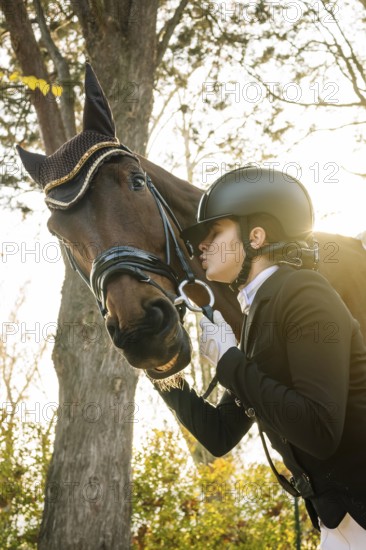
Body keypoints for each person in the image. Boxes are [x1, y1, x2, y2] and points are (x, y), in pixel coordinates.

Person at [154, 165, 366, 549]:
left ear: (256, 236)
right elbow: (219, 433)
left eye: (214, 233)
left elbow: (319, 430)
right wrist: (161, 366)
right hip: (338, 524)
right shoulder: (255, 319)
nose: (200, 246)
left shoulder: (304, 293)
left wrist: (229, 361)